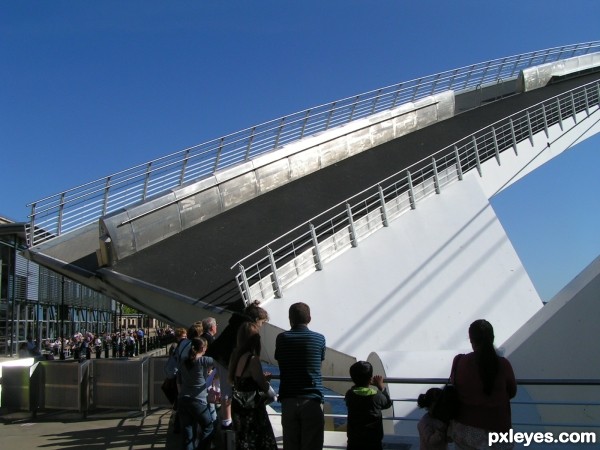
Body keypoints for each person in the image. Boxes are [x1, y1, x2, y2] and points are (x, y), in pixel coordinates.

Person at [449, 319, 517, 449]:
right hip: (498, 431)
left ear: (471, 340)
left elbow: (455, 385)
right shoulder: (503, 365)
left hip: (465, 429)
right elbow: (512, 392)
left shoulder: (459, 362)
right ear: (492, 338)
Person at [207, 300, 270, 431]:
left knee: (226, 388)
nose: (261, 326)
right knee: (227, 390)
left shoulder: (237, 322)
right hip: (224, 358)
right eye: (262, 322)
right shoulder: (246, 327)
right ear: (257, 319)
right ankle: (227, 421)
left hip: (218, 355)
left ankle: (227, 420)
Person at [275, 301, 326, 450]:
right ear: (309, 319)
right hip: (312, 399)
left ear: (290, 319)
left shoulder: (282, 338)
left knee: (290, 444)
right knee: (312, 444)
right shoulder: (319, 339)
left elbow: (280, 359)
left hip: (289, 398)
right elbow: (319, 362)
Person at [228, 321, 278, 449]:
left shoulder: (235, 356)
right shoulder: (252, 359)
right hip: (252, 410)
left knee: (244, 441)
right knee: (261, 441)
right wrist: (266, 380)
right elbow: (262, 385)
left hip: (238, 408)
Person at [344, 361, 393, 450]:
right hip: (373, 442)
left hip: (354, 442)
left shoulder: (349, 395)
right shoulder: (377, 396)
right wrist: (381, 386)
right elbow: (388, 403)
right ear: (370, 379)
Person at [177, 336, 215, 450]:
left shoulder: (183, 362)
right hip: (198, 400)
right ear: (203, 348)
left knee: (187, 433)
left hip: (183, 400)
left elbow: (179, 379)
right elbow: (219, 361)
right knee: (208, 427)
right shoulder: (203, 360)